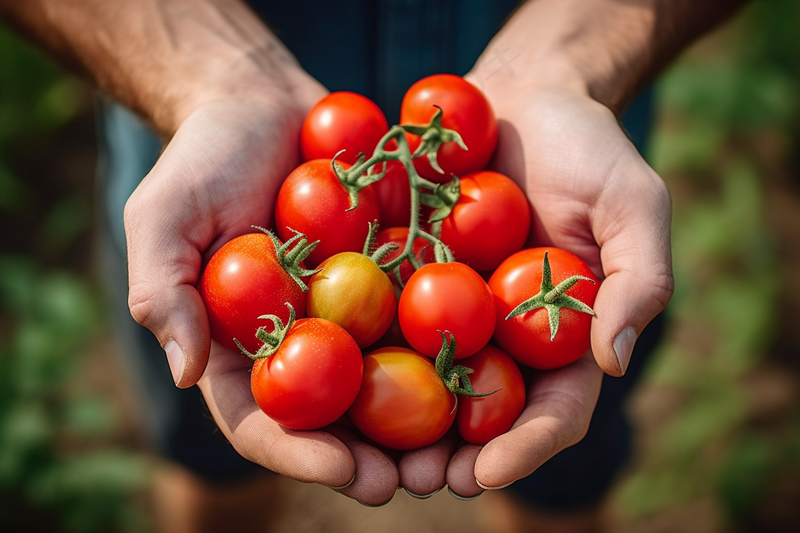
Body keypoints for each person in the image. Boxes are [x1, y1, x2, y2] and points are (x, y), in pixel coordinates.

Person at [0, 0, 746, 531]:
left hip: (538, 91)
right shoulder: (360, 253)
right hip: (208, 99)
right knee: (206, 455)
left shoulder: (400, 236)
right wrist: (208, 78)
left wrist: (572, 62)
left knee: (561, 479)